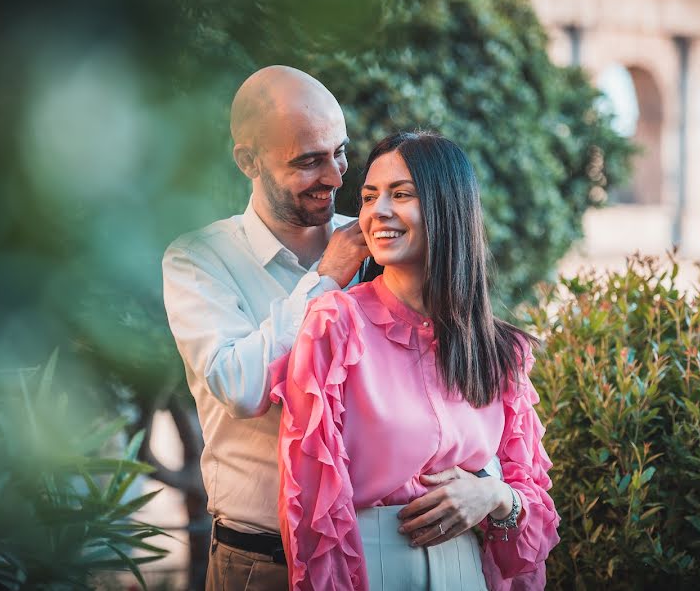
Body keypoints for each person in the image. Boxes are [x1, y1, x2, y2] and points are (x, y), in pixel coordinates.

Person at [163, 66, 503, 591]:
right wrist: (325, 280)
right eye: (308, 161)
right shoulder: (200, 259)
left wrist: (489, 487)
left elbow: (453, 381)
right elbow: (241, 387)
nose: (337, 177)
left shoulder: (382, 234)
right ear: (248, 160)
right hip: (262, 559)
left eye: (340, 152)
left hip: (385, 555)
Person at [270, 132, 561, 591]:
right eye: (369, 197)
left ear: (448, 207)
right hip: (371, 569)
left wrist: (494, 496)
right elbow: (309, 506)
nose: (376, 212)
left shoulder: (502, 351)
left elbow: (530, 521)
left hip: (469, 572)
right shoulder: (336, 326)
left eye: (400, 194)